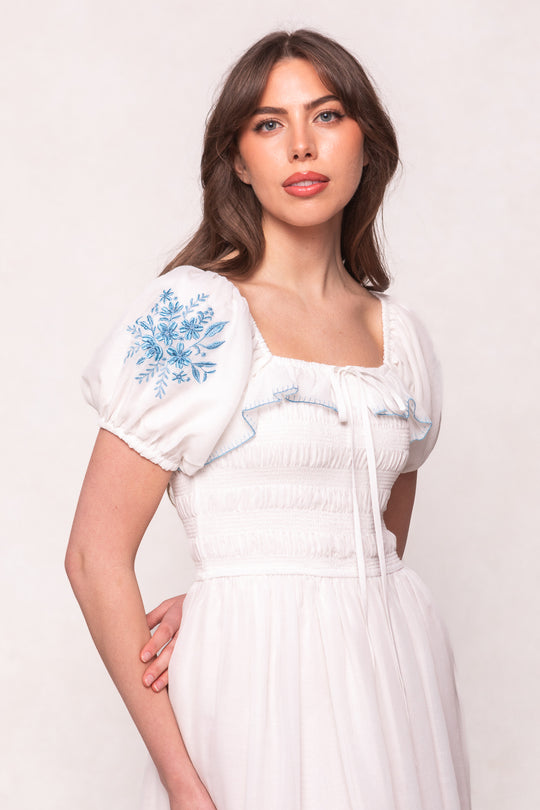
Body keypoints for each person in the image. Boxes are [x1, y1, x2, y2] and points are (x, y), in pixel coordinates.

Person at [66, 29, 471, 810]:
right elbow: (92, 556)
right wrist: (183, 783)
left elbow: (377, 536)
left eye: (327, 115)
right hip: (253, 690)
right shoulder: (195, 313)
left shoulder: (404, 339)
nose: (301, 146)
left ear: (367, 144)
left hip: (395, 678)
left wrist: (274, 581)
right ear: (239, 161)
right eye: (268, 123)